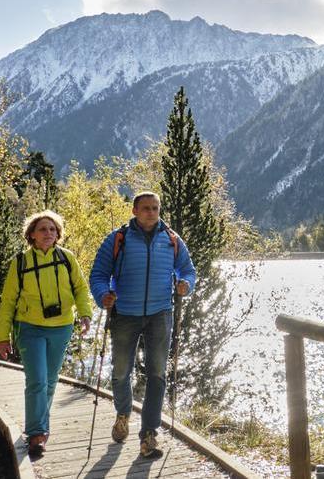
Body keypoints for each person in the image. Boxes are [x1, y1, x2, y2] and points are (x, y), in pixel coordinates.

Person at [89, 191, 196, 459]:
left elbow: (188, 270)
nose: (151, 212)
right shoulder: (118, 239)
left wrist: (186, 284)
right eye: (146, 208)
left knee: (157, 374)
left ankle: (149, 434)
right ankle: (123, 414)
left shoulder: (171, 239)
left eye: (155, 208)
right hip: (125, 313)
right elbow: (98, 274)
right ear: (135, 211)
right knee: (120, 372)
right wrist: (103, 295)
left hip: (160, 314)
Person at [0, 210, 92, 458]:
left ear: (58, 234)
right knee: (37, 380)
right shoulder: (20, 262)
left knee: (50, 380)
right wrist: (3, 336)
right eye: (42, 229)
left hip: (62, 327)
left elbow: (81, 289)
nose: (48, 233)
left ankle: (40, 426)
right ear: (32, 235)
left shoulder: (67, 258)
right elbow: (8, 301)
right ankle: (36, 434)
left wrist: (85, 314)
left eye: (52, 229)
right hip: (29, 327)